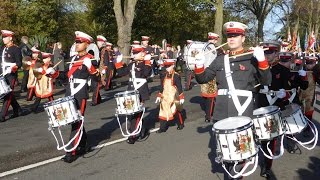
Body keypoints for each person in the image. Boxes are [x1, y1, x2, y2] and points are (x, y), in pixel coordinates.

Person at [194, 22, 271, 180]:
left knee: (240, 151)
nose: (231, 38)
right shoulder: (220, 59)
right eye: (229, 35)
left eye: (235, 35)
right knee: (227, 152)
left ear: (243, 38)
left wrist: (262, 60)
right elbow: (203, 79)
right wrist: (199, 64)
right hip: (222, 111)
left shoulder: (251, 58)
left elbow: (266, 80)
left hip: (242, 110)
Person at [62, 31, 99, 163]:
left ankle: (71, 151)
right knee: (75, 121)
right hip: (69, 92)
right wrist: (51, 74)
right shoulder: (72, 59)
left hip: (80, 93)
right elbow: (65, 77)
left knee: (76, 122)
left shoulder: (90, 59)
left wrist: (91, 68)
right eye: (76, 42)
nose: (76, 44)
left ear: (86, 44)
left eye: (79, 42)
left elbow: (97, 79)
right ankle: (83, 144)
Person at [269, 52, 308, 155]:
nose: (285, 62)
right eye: (283, 59)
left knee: (292, 125)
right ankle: (276, 148)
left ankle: (291, 145)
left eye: (287, 59)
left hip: (293, 100)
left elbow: (304, 86)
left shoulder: (295, 68)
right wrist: (276, 91)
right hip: (278, 101)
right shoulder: (274, 69)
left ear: (291, 59)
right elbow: (269, 85)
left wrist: (304, 77)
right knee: (277, 126)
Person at [114, 44, 152, 144]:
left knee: (137, 112)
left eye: (136, 53)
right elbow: (121, 73)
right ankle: (141, 128)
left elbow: (146, 74)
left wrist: (148, 62)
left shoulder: (145, 64)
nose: (133, 55)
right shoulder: (132, 64)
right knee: (131, 113)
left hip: (141, 90)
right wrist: (118, 62)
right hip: (131, 90)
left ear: (142, 54)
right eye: (133, 53)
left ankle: (133, 134)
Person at [256, 41, 281, 178]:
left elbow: (291, 87)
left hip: (273, 110)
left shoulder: (282, 70)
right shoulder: (256, 67)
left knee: (269, 140)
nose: (266, 54)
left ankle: (266, 166)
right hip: (256, 107)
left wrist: (284, 94)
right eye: (265, 51)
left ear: (276, 53)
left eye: (269, 51)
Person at [155, 59, 185, 133]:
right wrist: (159, 95)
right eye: (166, 66)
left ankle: (180, 123)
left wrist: (181, 97)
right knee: (162, 110)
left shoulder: (176, 76)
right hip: (165, 96)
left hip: (173, 95)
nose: (167, 68)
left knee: (176, 110)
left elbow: (179, 87)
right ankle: (162, 128)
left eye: (169, 66)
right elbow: (162, 86)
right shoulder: (163, 75)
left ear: (173, 66)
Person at [0, 30, 24, 122]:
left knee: (7, 94)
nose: (3, 39)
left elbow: (19, 63)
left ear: (10, 38)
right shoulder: (2, 48)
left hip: (11, 75)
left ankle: (2, 115)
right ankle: (18, 110)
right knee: (8, 93)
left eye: (5, 37)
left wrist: (12, 68)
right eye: (3, 37)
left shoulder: (16, 49)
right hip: (3, 74)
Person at [201, 32, 220, 123]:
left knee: (205, 94)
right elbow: (212, 61)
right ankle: (209, 115)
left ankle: (208, 112)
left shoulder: (204, 46)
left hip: (202, 71)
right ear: (215, 39)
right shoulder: (212, 47)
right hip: (209, 72)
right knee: (210, 95)